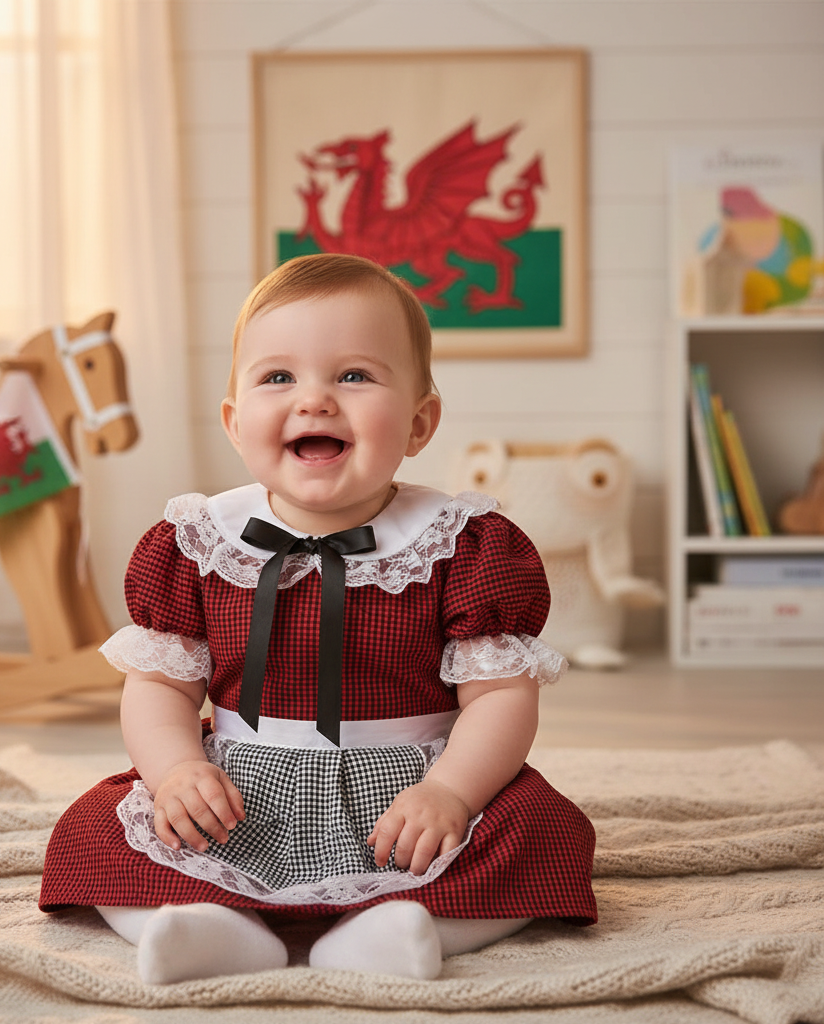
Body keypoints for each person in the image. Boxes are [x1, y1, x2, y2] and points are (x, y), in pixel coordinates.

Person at [39, 253, 597, 984]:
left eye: (354, 375)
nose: (314, 401)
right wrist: (176, 771)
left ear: (420, 422)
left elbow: (499, 695)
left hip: (409, 794)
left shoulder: (460, 545)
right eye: (278, 377)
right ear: (235, 423)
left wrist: (452, 792)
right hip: (241, 791)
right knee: (99, 830)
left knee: (541, 832)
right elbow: (161, 685)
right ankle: (204, 928)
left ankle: (398, 932)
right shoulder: (199, 542)